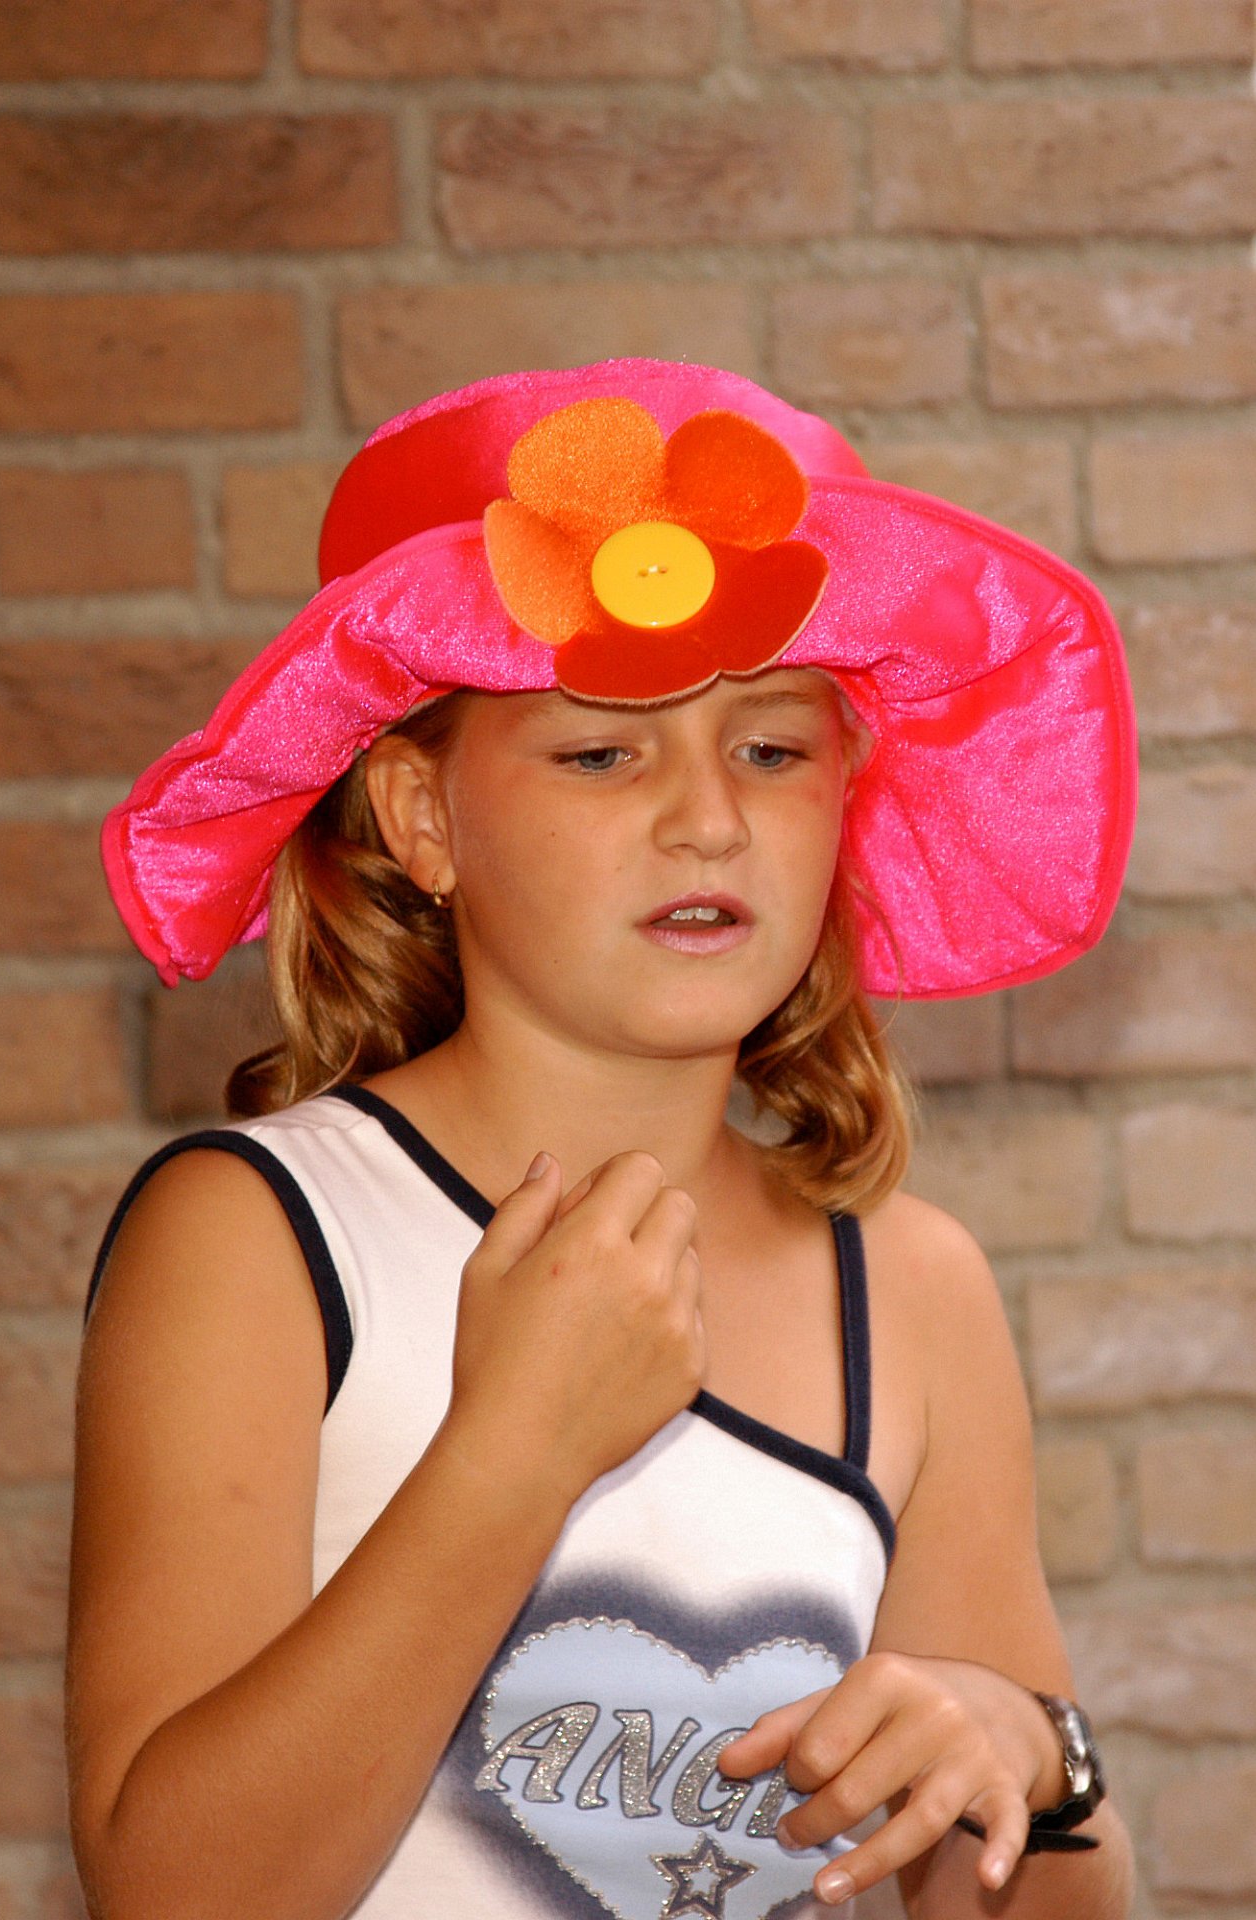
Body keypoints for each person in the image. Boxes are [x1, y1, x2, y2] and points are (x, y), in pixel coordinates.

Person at [67, 359, 1138, 1920]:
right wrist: (516, 1450)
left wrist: (1030, 1755)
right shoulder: (258, 1232)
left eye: (771, 751)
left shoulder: (910, 1288)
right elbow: (173, 1894)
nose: (708, 821)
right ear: (422, 818)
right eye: (600, 753)